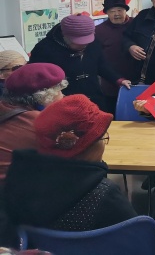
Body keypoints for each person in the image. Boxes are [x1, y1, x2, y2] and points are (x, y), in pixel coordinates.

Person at [5, 94, 137, 231]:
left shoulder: (18, 180)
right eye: (103, 137)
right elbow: (138, 236)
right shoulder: (103, 194)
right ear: (87, 147)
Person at [29, 14, 132, 112]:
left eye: (87, 41)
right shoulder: (44, 49)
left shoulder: (93, 42)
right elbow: (36, 82)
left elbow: (101, 64)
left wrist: (118, 79)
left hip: (95, 99)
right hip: (64, 104)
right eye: (79, 42)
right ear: (65, 36)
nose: (84, 45)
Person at [0, 63, 66, 185]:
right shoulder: (41, 123)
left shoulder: (4, 107)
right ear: (44, 96)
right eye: (59, 91)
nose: (63, 96)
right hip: (14, 189)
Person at [95, 0, 139, 115]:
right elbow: (97, 59)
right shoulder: (98, 31)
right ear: (107, 13)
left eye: (119, 10)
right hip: (111, 85)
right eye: (112, 11)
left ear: (125, 10)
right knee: (113, 117)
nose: (116, 14)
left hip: (138, 82)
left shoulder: (137, 25)